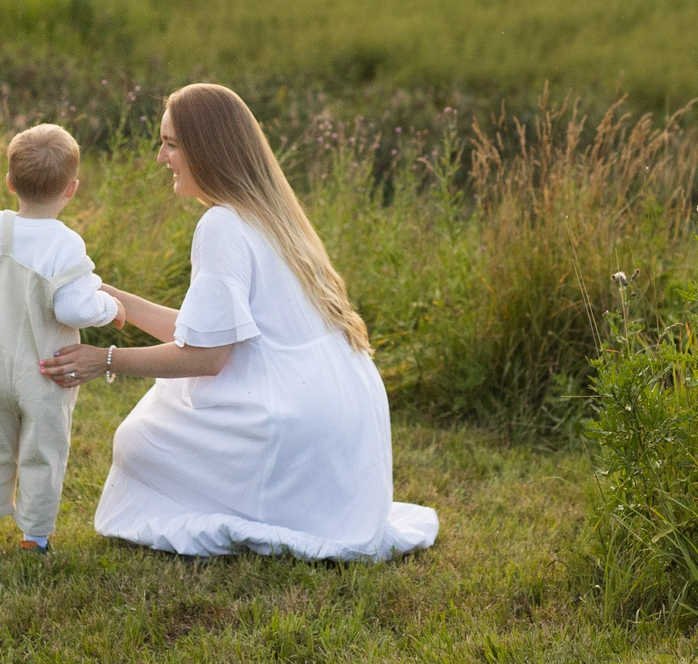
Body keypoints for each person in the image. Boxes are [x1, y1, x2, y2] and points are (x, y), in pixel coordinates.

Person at [43, 83, 438, 562]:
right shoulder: (273, 216)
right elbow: (209, 330)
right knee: (148, 429)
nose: (161, 157)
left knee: (139, 441)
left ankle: (269, 500)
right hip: (344, 416)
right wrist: (107, 294)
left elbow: (208, 356)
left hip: (292, 423)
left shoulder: (222, 225)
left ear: (206, 149)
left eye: (171, 144)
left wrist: (103, 360)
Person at [0, 123, 125, 555]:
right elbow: (73, 308)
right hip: (44, 368)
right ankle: (35, 536)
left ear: (9, 182)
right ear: (71, 189)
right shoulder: (66, 243)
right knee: (44, 447)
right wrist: (110, 306)